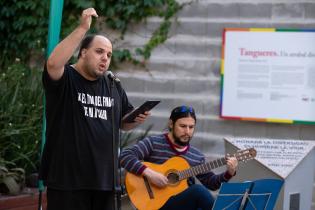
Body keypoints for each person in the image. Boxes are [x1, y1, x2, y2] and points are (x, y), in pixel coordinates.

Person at [39, 8, 150, 210]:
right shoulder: (67, 79)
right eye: (99, 51)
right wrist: (82, 28)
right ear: (82, 53)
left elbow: (123, 123)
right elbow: (53, 64)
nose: (105, 58)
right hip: (68, 181)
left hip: (105, 181)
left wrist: (135, 118)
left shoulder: (112, 83)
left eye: (109, 54)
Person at [120, 105, 238, 210]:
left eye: (191, 127)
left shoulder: (196, 156)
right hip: (152, 204)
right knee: (197, 191)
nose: (187, 131)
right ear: (171, 124)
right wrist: (150, 174)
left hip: (178, 204)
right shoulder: (154, 143)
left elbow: (212, 184)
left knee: (199, 195)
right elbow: (125, 155)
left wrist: (229, 173)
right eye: (183, 126)